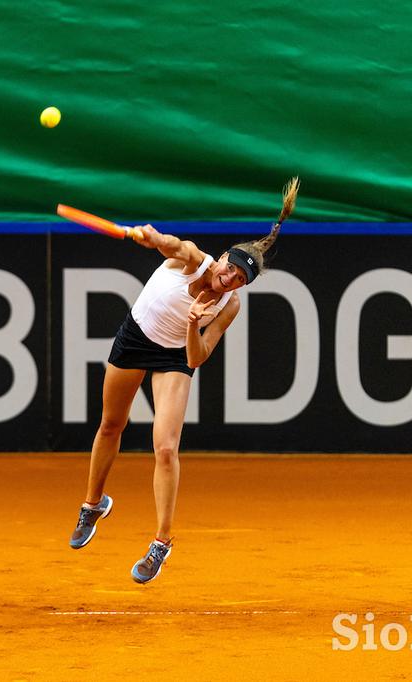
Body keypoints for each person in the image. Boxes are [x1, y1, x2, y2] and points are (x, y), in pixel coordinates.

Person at [68, 177, 300, 584]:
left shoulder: (230, 307)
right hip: (136, 336)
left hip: (175, 355)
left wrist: (193, 325)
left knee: (165, 448)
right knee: (111, 424)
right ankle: (93, 504)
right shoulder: (195, 259)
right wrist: (154, 237)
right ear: (224, 257)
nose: (228, 280)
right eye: (230, 270)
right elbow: (172, 245)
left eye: (238, 281)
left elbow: (196, 357)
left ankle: (161, 542)